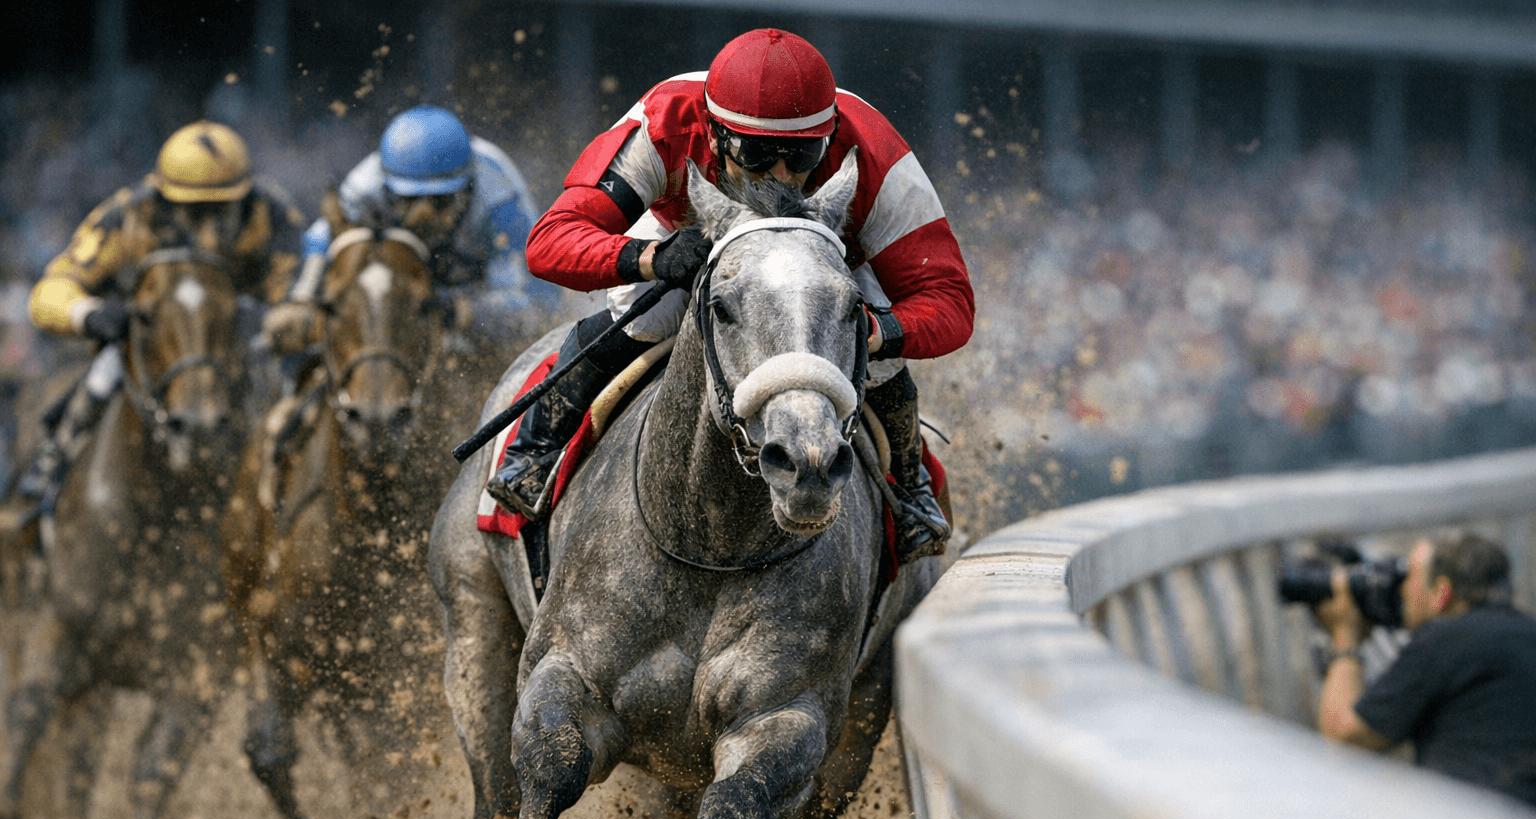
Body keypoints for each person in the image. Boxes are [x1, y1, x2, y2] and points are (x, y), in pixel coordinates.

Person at [486, 28, 973, 564]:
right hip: (694, 234)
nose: (781, 176)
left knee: (873, 353)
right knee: (643, 318)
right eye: (756, 153)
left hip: (821, 259)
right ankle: (537, 447)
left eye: (802, 155)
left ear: (830, 136)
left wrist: (873, 331)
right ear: (714, 135)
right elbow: (549, 242)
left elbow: (950, 299)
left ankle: (909, 486)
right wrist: (651, 258)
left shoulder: (878, 154)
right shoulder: (664, 123)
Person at [18, 120, 306, 512]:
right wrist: (88, 314)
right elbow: (51, 289)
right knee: (105, 371)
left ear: (244, 194)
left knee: (284, 381)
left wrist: (280, 318)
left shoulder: (270, 211)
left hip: (235, 333)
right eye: (194, 210)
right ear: (165, 196)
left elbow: (298, 290)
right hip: (146, 336)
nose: (208, 227)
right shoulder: (130, 213)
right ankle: (54, 459)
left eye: (221, 208)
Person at [271, 105, 555, 355]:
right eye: (408, 200)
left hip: (478, 289)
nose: (423, 217)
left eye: (440, 201)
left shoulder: (500, 198)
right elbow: (321, 240)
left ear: (468, 188)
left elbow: (539, 306)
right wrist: (301, 300)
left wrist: (461, 312)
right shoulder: (366, 186)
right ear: (386, 187)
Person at [1315, 532, 1536, 809]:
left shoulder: (1445, 639)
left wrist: (1344, 635)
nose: (1401, 591)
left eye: (1409, 578)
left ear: (1441, 592)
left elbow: (1344, 737)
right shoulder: (1527, 633)